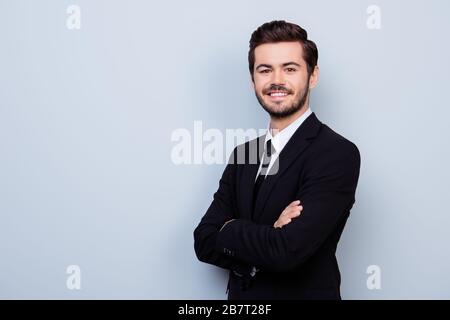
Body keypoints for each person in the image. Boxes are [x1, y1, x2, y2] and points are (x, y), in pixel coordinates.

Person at [194, 20, 361, 300]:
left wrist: (230, 228)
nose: (277, 81)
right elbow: (203, 240)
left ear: (313, 76)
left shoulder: (336, 153)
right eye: (265, 70)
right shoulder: (244, 154)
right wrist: (270, 232)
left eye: (290, 68)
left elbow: (287, 251)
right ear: (253, 80)